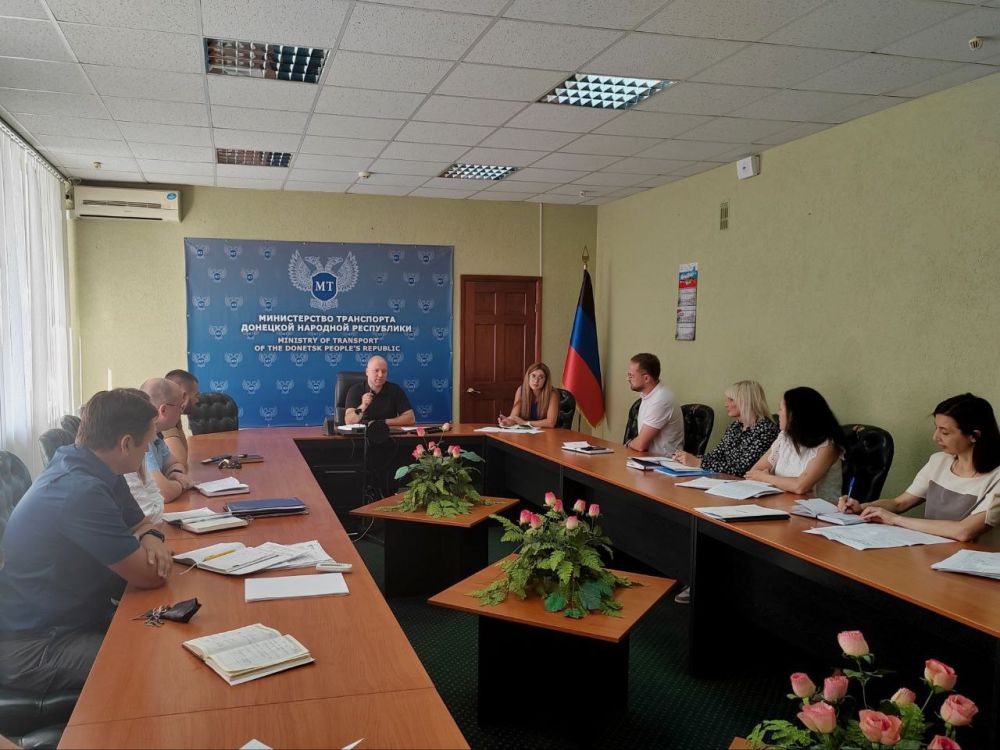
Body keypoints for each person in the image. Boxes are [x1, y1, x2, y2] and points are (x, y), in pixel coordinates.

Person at [0, 389, 172, 693]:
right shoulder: (79, 490)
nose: (148, 450)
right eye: (146, 443)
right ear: (126, 444)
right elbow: (149, 576)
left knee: (171, 634)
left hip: (76, 618)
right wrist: (151, 548)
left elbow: (142, 523)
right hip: (35, 642)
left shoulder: (95, 464)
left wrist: (153, 538)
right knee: (153, 659)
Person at [838, 393, 1000, 542]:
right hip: (928, 549)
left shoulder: (996, 477)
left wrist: (896, 519)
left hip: (970, 559)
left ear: (974, 436)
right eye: (936, 428)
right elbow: (899, 503)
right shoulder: (939, 461)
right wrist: (862, 507)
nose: (935, 437)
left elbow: (964, 532)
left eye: (944, 432)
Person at [745, 386, 844, 500]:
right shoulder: (785, 438)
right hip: (783, 503)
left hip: (819, 509)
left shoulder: (828, 446)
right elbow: (754, 472)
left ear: (796, 414)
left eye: (781, 409)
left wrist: (765, 477)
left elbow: (800, 486)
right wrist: (766, 477)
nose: (778, 414)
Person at [674, 380, 779, 476]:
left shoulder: (766, 429)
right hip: (725, 479)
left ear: (746, 402)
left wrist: (699, 463)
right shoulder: (735, 426)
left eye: (731, 400)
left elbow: (743, 470)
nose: (726, 404)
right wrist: (688, 458)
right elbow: (717, 455)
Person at [140, 378, 195, 503]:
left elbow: (174, 463)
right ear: (163, 410)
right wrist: (182, 484)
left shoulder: (156, 434)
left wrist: (175, 473)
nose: (181, 412)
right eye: (180, 406)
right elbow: (164, 493)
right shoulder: (140, 439)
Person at [624, 353, 684, 455]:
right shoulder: (649, 395)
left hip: (664, 462)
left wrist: (629, 443)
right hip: (648, 458)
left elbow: (640, 445)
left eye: (631, 375)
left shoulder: (661, 400)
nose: (627, 379)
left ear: (646, 378)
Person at [344, 355, 416, 426]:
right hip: (363, 433)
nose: (380, 375)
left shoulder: (395, 389)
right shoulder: (355, 390)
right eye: (376, 371)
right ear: (367, 372)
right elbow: (349, 421)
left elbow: (410, 418)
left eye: (384, 371)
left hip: (388, 432)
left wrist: (383, 422)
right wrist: (363, 406)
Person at [499, 362, 559, 429]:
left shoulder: (552, 394)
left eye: (541, 377)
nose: (536, 381)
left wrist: (526, 423)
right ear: (528, 377)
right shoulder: (521, 390)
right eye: (533, 376)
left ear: (546, 380)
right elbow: (514, 417)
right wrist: (507, 422)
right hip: (527, 431)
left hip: (546, 432)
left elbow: (551, 423)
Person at [161, 369, 199, 471]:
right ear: (184, 396)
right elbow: (179, 461)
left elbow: (184, 456)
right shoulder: (164, 417)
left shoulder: (174, 415)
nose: (197, 400)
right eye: (196, 395)